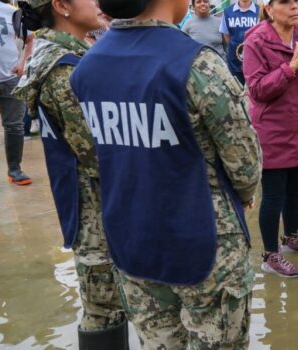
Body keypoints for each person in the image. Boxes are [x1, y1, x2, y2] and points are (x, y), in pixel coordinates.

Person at [71, 0, 262, 347]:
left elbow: (100, 158)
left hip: (131, 238)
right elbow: (245, 163)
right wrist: (243, 196)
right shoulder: (197, 62)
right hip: (204, 242)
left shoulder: (86, 69)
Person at [12, 0, 129, 348]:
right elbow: (99, 155)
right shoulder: (65, 71)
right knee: (104, 309)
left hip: (94, 205)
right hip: (95, 211)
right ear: (61, 6)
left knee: (104, 307)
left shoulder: (67, 55)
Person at [243, 0, 298, 277]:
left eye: (296, 2)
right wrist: (292, 66)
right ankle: (270, 255)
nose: (294, 7)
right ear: (269, 9)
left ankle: (292, 236)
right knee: (273, 195)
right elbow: (257, 90)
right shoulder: (256, 41)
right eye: (285, 2)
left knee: (296, 188)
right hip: (272, 130)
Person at [0, 0, 34, 196]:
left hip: (11, 78)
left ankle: (15, 170)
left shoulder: (12, 12)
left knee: (15, 126)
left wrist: (23, 62)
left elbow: (29, 39)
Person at [220, 0, 259, 84]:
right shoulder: (228, 11)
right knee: (237, 91)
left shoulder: (260, 11)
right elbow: (226, 35)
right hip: (234, 62)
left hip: (256, 63)